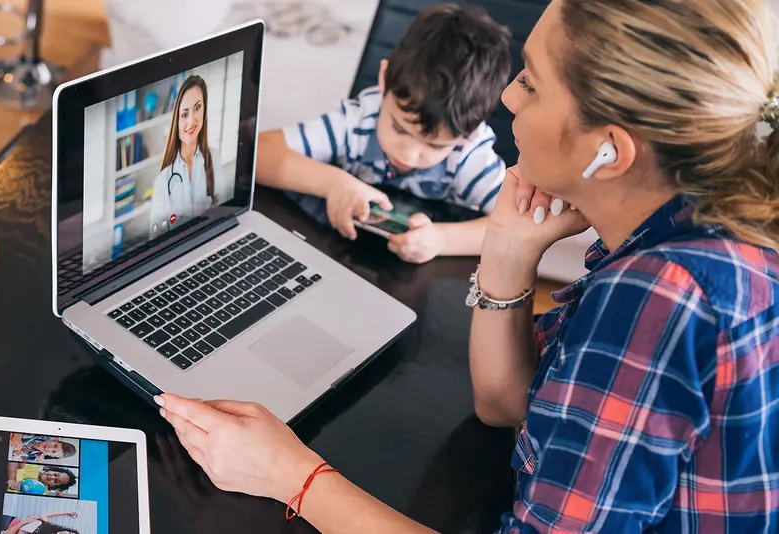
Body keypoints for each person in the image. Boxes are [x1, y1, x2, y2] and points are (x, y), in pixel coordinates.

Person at [158, 0, 779, 531]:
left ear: (608, 151)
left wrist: (289, 475)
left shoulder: (664, 296)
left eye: (530, 83)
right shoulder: (687, 233)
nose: (507, 98)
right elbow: (509, 405)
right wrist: (509, 248)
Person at [255, 4, 512, 263]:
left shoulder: (469, 154)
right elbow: (259, 152)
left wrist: (443, 240)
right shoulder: (356, 123)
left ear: (469, 131)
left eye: (435, 146)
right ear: (384, 79)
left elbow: (518, 226)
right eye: (400, 128)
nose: (409, 155)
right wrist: (334, 184)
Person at [149, 75, 219, 236]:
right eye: (184, 114)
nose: (191, 120)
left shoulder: (213, 160)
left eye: (197, 108)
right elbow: (154, 240)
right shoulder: (163, 181)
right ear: (177, 121)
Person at [7, 463, 79, 496]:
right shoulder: (34, 467)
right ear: (52, 470)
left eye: (56, 481)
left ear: (53, 486)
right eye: (55, 474)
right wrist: (12, 479)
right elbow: (13, 462)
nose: (52, 477)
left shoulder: (43, 492)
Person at [10, 434, 78, 462]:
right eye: (55, 445)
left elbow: (15, 460)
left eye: (53, 452)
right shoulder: (37, 434)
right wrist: (17, 436)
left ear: (51, 456)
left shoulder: (33, 457)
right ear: (54, 440)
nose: (49, 448)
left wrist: (16, 456)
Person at [1, 511, 79, 534]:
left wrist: (24, 522)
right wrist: (66, 513)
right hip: (11, 517)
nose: (67, 533)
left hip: (6, 526)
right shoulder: (51, 529)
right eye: (71, 533)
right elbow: (44, 515)